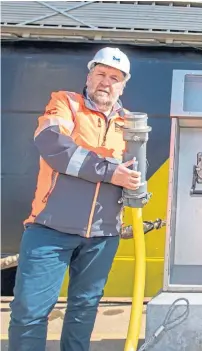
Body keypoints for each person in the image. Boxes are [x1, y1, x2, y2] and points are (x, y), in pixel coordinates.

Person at [8, 47, 142, 351]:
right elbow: (55, 146)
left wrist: (135, 185)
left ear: (123, 85)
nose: (106, 82)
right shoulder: (65, 104)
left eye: (115, 78)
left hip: (103, 235)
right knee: (30, 312)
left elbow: (135, 173)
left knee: (83, 311)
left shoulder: (131, 123)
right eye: (101, 74)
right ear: (89, 75)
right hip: (50, 230)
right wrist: (109, 171)